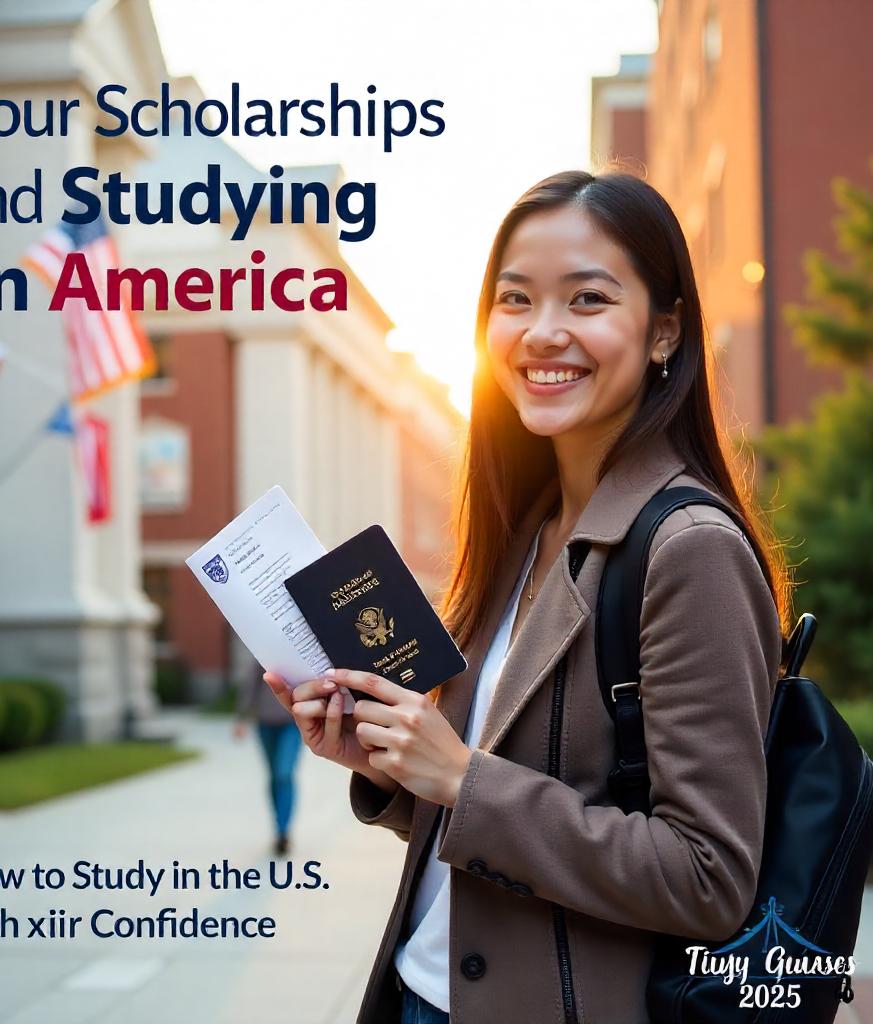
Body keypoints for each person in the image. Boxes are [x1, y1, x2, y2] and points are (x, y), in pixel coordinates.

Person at [265, 171, 787, 1024]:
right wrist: (395, 767)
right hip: (421, 992)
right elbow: (492, 819)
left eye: (587, 299)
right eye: (516, 300)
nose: (543, 333)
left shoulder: (688, 551)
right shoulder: (524, 533)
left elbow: (708, 877)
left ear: (664, 332)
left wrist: (463, 779)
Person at [235, 659, 302, 856]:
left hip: (291, 724)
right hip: (265, 724)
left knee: (284, 774)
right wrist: (241, 717)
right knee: (273, 777)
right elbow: (251, 685)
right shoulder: (261, 652)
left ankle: (283, 831)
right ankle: (278, 826)